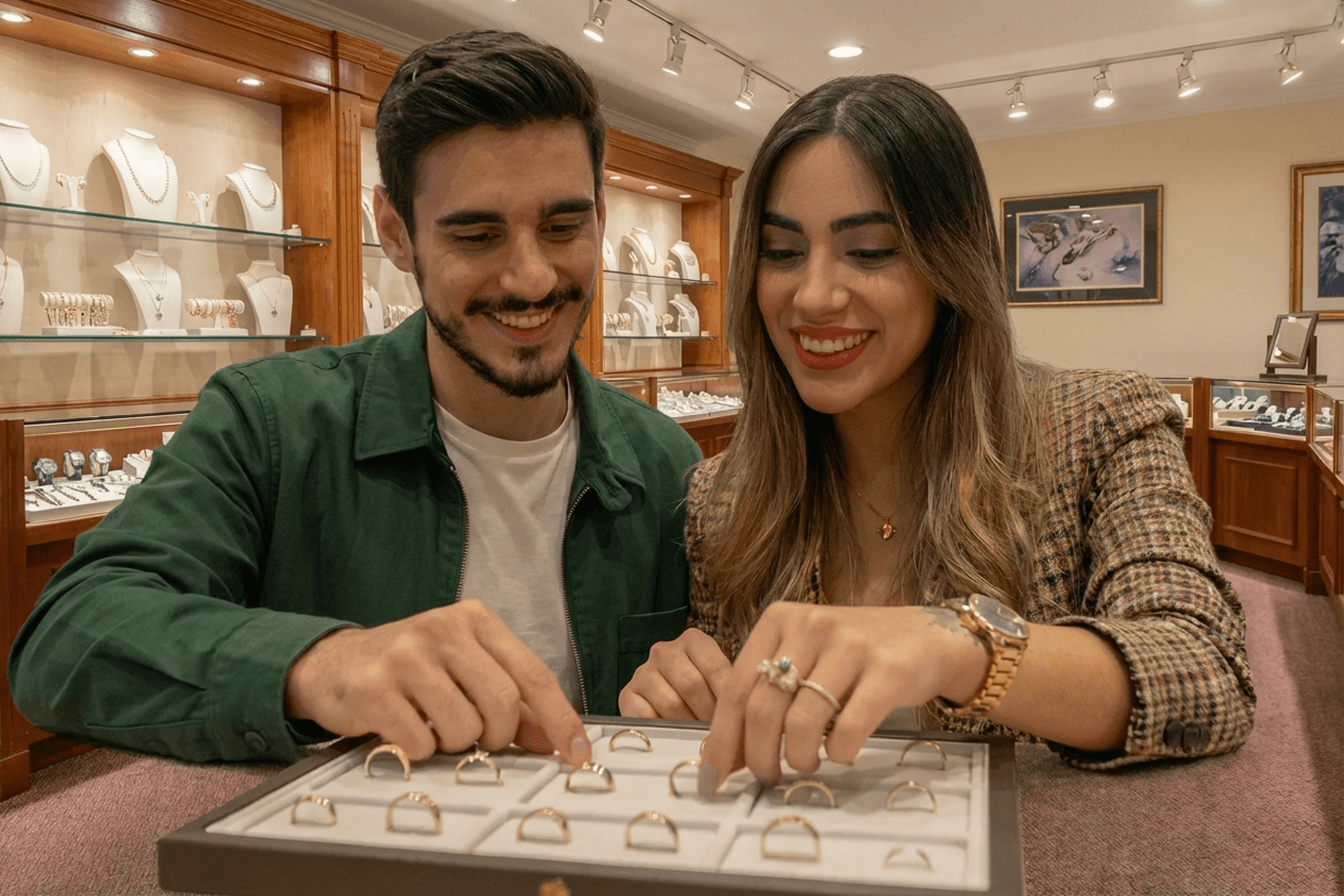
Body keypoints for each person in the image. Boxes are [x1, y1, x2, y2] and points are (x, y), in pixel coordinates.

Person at [9, 30, 700, 767]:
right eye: (476, 235)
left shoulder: (665, 466)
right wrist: (321, 664)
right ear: (395, 232)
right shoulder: (270, 422)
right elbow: (67, 638)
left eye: (564, 227)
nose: (531, 279)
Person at [618, 74, 1255, 791]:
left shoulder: (1101, 427)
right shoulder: (719, 499)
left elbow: (1204, 671)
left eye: (871, 250)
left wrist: (961, 647)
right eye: (783, 251)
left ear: (951, 262)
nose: (816, 296)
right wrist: (689, 698)